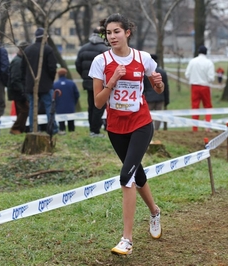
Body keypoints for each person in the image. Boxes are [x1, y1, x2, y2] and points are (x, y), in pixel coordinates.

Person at [88, 13, 163, 255]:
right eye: (108, 33)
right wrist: (113, 80)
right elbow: (98, 103)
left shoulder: (143, 58)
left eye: (116, 32)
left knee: (126, 177)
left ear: (127, 32)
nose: (112, 37)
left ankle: (127, 239)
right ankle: (155, 211)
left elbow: (158, 87)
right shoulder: (101, 61)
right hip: (115, 128)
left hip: (141, 124)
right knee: (136, 173)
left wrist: (158, 84)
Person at [21, 28, 58, 133]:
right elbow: (52, 68)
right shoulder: (48, 49)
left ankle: (33, 128)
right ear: (45, 37)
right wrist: (50, 79)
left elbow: (23, 69)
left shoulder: (27, 50)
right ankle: (52, 128)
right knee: (49, 107)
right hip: (46, 85)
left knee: (32, 107)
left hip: (31, 85)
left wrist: (26, 83)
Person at [75, 27, 109, 137]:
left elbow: (78, 65)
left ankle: (92, 129)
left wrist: (85, 76)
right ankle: (95, 130)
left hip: (88, 82)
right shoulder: (105, 50)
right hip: (101, 83)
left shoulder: (83, 48)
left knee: (91, 106)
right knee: (99, 106)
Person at [185, 45, 215, 131]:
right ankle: (208, 126)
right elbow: (211, 78)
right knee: (208, 106)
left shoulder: (192, 61)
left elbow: (187, 74)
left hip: (194, 86)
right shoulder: (209, 63)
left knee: (195, 107)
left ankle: (195, 128)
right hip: (205, 86)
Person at [7, 41, 30, 135]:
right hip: (18, 91)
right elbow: (16, 79)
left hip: (18, 90)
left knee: (21, 111)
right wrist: (22, 92)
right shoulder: (17, 62)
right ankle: (15, 129)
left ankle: (20, 129)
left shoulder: (20, 60)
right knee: (24, 110)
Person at [143, 54, 170, 130]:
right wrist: (166, 100)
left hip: (149, 98)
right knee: (159, 116)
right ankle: (157, 129)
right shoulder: (163, 72)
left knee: (149, 115)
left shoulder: (146, 73)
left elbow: (143, 87)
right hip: (160, 98)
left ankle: (149, 129)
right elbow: (166, 87)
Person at [53, 68, 80, 134]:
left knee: (61, 125)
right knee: (71, 124)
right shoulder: (71, 83)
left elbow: (53, 97)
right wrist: (74, 102)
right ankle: (72, 133)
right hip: (70, 107)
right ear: (66, 74)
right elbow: (77, 94)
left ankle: (62, 132)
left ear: (58, 75)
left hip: (59, 107)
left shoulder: (55, 85)